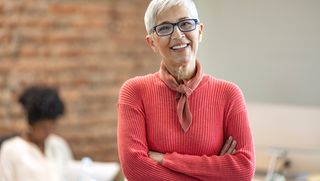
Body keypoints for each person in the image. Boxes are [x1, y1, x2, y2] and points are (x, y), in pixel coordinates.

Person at [117, 0, 255, 180]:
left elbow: (243, 170)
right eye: (165, 28)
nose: (178, 34)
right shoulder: (134, 92)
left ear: (200, 31)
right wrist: (215, 172)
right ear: (152, 42)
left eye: (186, 24)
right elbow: (136, 170)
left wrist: (165, 159)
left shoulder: (229, 94)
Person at [0, 86, 73, 181]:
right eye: (43, 127)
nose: (48, 132)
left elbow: (71, 174)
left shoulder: (59, 146)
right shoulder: (12, 150)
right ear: (32, 124)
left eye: (51, 126)